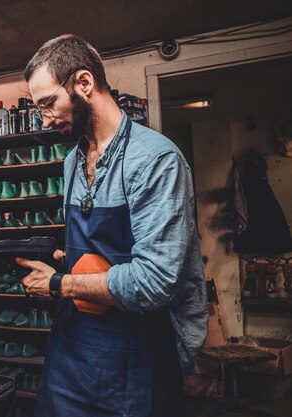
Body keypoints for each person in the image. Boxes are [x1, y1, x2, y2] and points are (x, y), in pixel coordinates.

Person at [17, 34, 208, 416]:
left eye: (48, 103)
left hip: (135, 359)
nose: (45, 118)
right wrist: (67, 262)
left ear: (83, 83)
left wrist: (59, 283)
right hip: (72, 351)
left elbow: (155, 282)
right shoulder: (71, 162)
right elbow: (98, 249)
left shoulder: (155, 160)